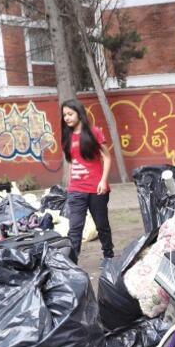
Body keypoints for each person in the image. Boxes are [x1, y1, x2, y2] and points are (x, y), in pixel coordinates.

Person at [61, 99, 113, 262]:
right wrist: (70, 184)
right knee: (75, 229)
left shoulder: (94, 132)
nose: (67, 118)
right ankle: (72, 264)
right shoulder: (67, 135)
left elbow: (107, 157)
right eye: (64, 115)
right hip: (76, 189)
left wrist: (103, 181)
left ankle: (108, 257)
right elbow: (72, 161)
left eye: (70, 114)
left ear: (79, 113)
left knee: (102, 225)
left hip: (96, 189)